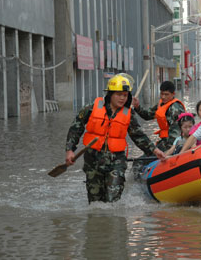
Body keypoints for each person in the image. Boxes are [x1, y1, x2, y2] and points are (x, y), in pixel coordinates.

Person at [65, 74, 166, 204]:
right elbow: (75, 128)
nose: (122, 98)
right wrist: (70, 150)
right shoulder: (92, 107)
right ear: (110, 94)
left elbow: (138, 136)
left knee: (112, 199)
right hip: (93, 159)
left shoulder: (128, 114)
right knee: (95, 202)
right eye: (119, 94)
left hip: (116, 160)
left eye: (125, 95)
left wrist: (154, 150)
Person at [132, 81, 186, 152]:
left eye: (166, 94)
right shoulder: (161, 104)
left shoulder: (176, 109)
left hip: (172, 144)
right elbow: (147, 115)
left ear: (173, 94)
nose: (163, 97)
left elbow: (176, 133)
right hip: (164, 141)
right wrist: (137, 106)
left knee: (143, 160)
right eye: (162, 94)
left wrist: (166, 150)